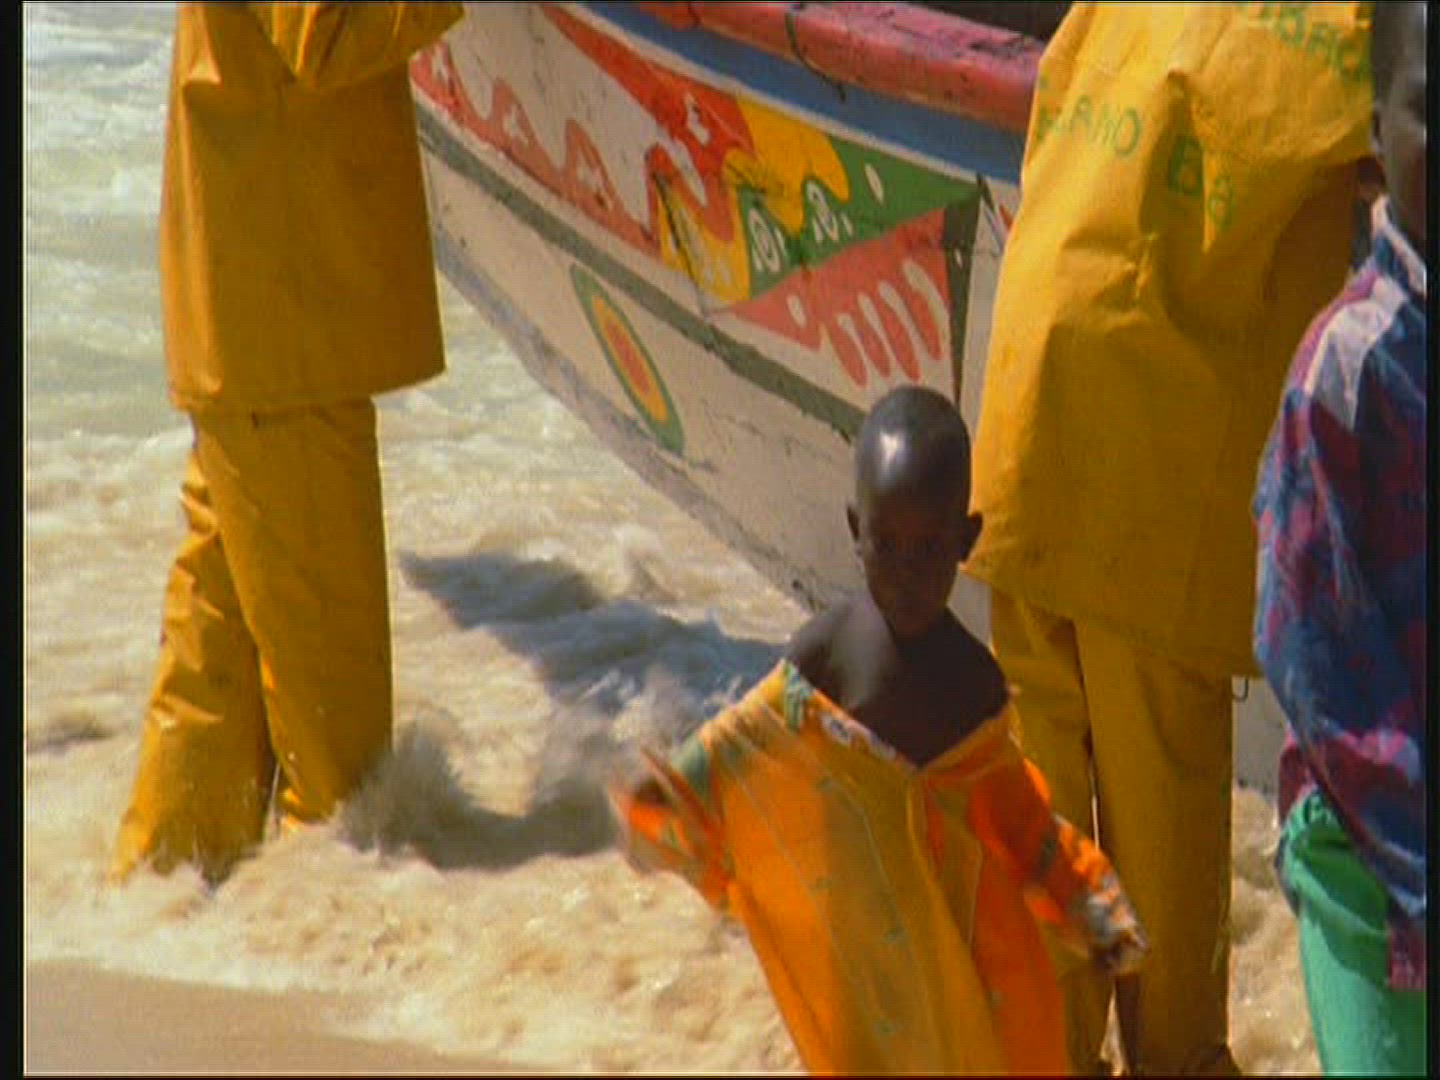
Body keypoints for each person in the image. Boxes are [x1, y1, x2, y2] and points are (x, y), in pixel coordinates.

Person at [963, 3, 1375, 1073]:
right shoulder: (1355, 25)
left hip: (1028, 415)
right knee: (1162, 876)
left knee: (1045, 842)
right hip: (1150, 478)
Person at [608, 386, 1148, 1074]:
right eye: (886, 544)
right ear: (854, 528)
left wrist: (1086, 900)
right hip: (861, 957)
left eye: (929, 548)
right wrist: (669, 799)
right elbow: (744, 745)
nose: (905, 572)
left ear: (967, 540)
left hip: (962, 955)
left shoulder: (973, 679)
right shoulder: (830, 650)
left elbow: (1019, 819)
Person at [110, 2, 464, 886]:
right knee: (342, 776)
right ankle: (329, 937)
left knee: (212, 689)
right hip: (287, 323)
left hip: (252, 313)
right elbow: (326, 38)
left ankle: (157, 914)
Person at [1253, 3, 1428, 1073]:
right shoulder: (1347, 372)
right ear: (1374, 134)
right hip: (1367, 860)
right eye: (1433, 111)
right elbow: (1317, 665)